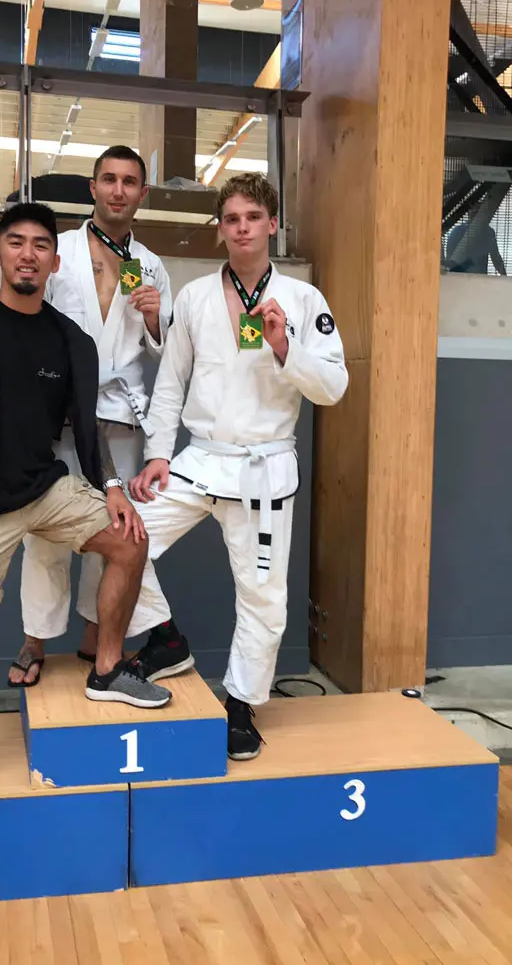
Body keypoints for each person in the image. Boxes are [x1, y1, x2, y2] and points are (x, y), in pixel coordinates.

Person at [0, 202, 173, 799]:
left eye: (39, 246)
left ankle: (107, 668)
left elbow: (87, 430)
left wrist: (111, 490)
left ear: (56, 262)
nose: (28, 254)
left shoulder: (70, 341)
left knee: (130, 541)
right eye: (16, 243)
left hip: (45, 488)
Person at [130, 173, 349, 761]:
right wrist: (157, 454)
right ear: (221, 229)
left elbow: (333, 387)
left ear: (272, 224)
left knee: (262, 599)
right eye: (231, 219)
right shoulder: (196, 297)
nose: (243, 227)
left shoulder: (304, 301)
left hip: (264, 467)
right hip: (201, 459)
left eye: (253, 216)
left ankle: (241, 704)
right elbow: (171, 383)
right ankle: (166, 637)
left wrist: (285, 347)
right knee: (119, 542)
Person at [11, 146, 194, 687]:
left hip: (121, 414)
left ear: (142, 194)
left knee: (114, 533)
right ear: (92, 188)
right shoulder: (60, 249)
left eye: (129, 182)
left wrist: (159, 319)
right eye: (109, 180)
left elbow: (167, 351)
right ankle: (34, 640)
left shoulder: (152, 264)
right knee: (43, 532)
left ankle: (96, 637)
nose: (118, 190)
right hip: (57, 414)